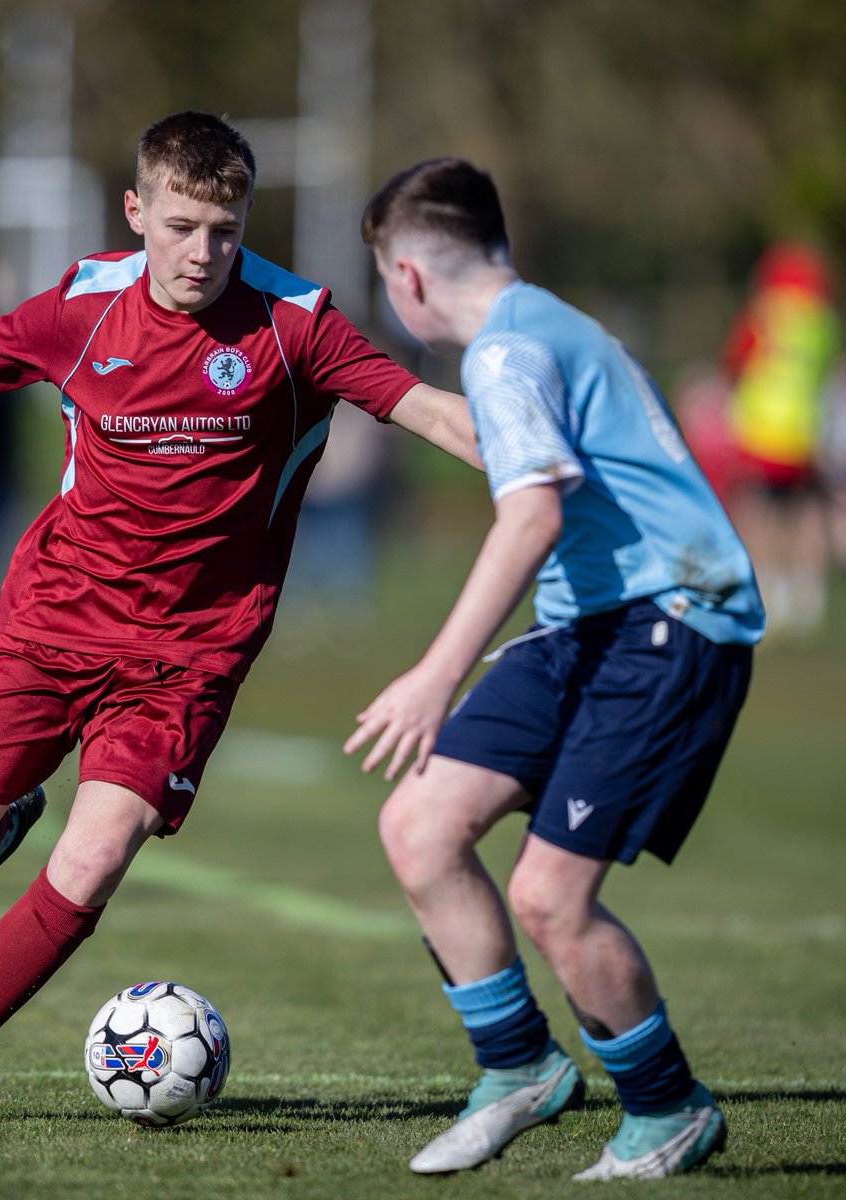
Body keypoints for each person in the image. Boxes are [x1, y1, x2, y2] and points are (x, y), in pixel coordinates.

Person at [0, 112, 479, 1124]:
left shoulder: (298, 323)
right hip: (52, 619)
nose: (203, 253)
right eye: (182, 226)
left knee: (98, 851)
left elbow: (426, 411)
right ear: (138, 212)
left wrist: (554, 463)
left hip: (188, 657)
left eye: (225, 230)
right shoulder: (83, 305)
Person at [346, 158, 764, 1181]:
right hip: (585, 626)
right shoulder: (553, 326)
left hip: (673, 625)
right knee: (419, 824)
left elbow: (530, 514)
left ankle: (668, 1110)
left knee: (549, 898)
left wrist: (436, 671)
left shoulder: (506, 355)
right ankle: (520, 1068)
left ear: (405, 279)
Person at [720, 241, 839, 636]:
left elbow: (735, 362)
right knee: (806, 513)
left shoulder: (763, 315)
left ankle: (770, 585)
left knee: (761, 515)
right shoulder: (823, 321)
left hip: (764, 433)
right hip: (806, 433)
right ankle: (807, 591)